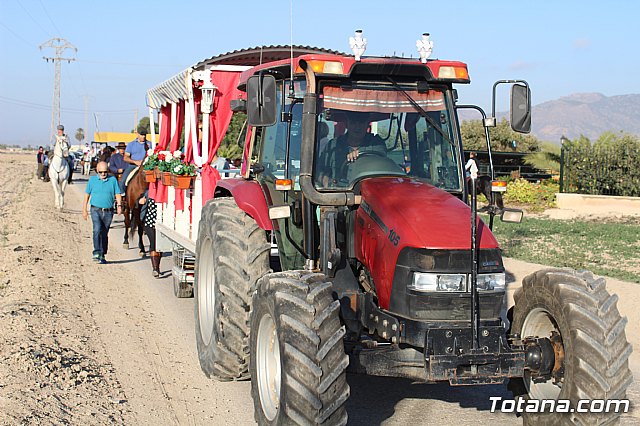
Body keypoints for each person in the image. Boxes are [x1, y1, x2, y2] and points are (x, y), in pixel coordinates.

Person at [318, 111, 386, 186]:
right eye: (353, 122)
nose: (357, 127)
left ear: (367, 124)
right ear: (347, 124)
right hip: (338, 194)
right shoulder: (333, 145)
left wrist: (361, 157)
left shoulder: (377, 143)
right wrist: (325, 180)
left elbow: (382, 164)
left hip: (369, 192)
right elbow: (318, 170)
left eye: (361, 122)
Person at [82, 161, 123, 264]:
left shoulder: (112, 180)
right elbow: (87, 195)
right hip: (95, 209)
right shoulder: (92, 180)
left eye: (105, 172)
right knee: (97, 230)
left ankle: (103, 253)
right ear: (97, 171)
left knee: (104, 233)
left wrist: (119, 205)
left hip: (108, 211)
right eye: (101, 172)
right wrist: (84, 210)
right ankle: (96, 251)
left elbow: (117, 194)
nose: (103, 174)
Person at [138, 190, 161, 277]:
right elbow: (139, 201)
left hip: (161, 223)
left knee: (160, 246)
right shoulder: (149, 192)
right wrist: (140, 201)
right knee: (154, 243)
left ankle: (157, 267)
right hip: (150, 223)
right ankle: (155, 268)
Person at [120, 127, 149, 194]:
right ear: (137, 134)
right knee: (122, 181)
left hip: (146, 166)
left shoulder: (149, 144)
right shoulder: (131, 144)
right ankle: (122, 196)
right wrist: (135, 162)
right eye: (142, 134)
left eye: (145, 135)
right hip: (133, 166)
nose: (143, 136)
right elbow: (126, 158)